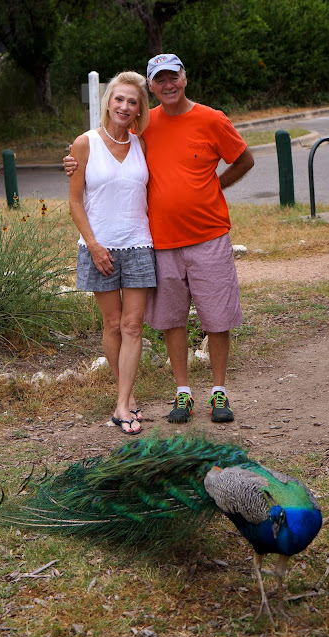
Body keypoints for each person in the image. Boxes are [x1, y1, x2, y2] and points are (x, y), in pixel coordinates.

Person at [65, 54, 254, 425]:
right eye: (160, 80)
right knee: (171, 319)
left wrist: (216, 185)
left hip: (206, 236)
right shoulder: (144, 129)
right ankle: (182, 393)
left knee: (216, 318)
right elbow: (103, 151)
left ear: (185, 78)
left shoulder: (211, 118)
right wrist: (72, 162)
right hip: (161, 241)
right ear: (152, 87)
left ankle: (219, 391)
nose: (168, 84)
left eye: (174, 77)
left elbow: (244, 159)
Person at [68, 71, 156, 435]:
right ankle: (126, 396)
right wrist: (93, 245)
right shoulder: (84, 143)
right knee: (113, 324)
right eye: (119, 99)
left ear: (139, 110)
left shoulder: (142, 145)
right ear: (108, 101)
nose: (124, 106)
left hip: (138, 243)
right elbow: (74, 201)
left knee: (134, 326)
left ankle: (122, 403)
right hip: (98, 246)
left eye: (132, 102)